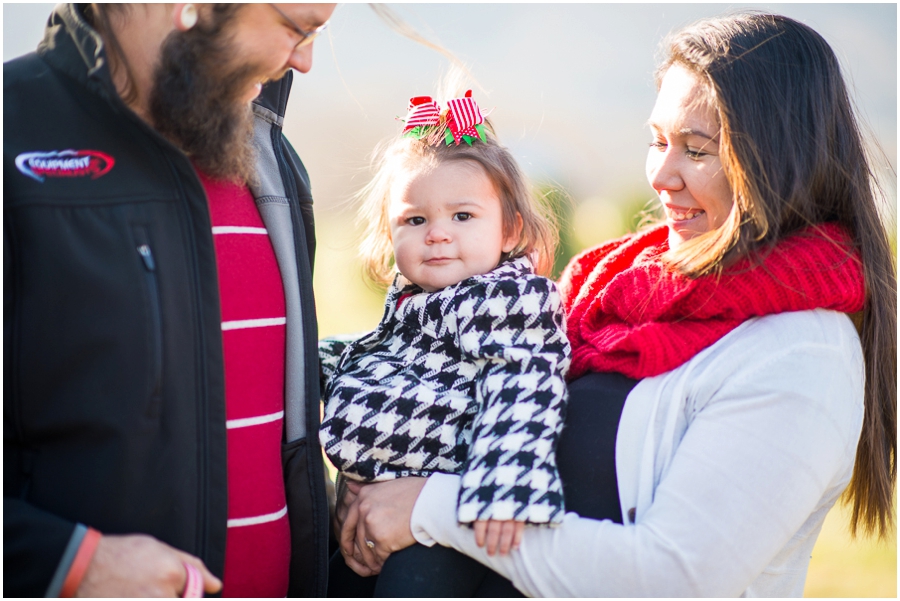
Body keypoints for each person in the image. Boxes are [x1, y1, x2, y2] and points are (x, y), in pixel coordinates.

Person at [333, 12, 896, 597]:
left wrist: (431, 507)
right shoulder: (602, 289)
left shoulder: (801, 354)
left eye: (696, 151)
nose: (662, 175)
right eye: (657, 141)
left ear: (779, 162)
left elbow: (668, 577)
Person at [4, 3, 336, 597]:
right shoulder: (12, 131)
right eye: (298, 26)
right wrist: (69, 565)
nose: (305, 61)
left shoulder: (269, 155)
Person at [320, 91, 570, 596]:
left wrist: (504, 485)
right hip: (375, 510)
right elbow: (375, 354)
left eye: (462, 217)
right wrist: (310, 360)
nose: (437, 234)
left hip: (445, 528)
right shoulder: (415, 301)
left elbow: (525, 383)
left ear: (510, 229)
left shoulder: (506, 299)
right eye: (416, 220)